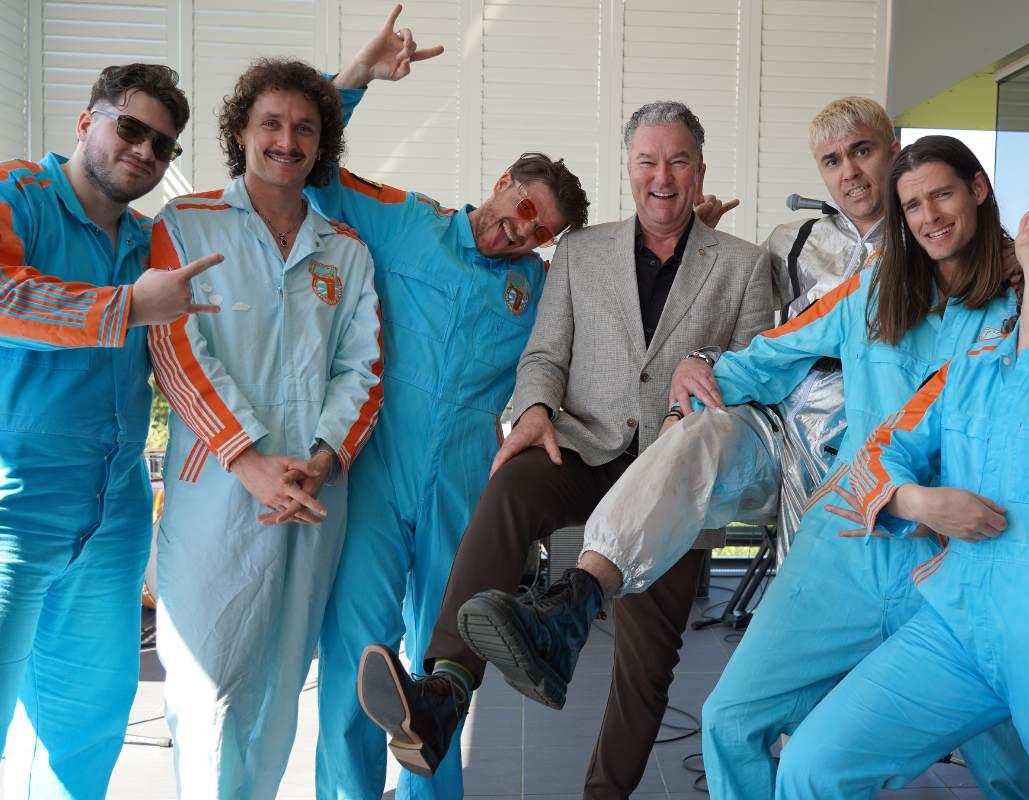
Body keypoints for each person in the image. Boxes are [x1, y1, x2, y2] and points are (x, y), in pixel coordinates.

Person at [357, 99, 774, 798]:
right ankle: (445, 690)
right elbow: (546, 354)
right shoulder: (581, 252)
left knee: (647, 663)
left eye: (677, 161)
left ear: (699, 170)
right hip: (583, 448)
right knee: (512, 486)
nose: (662, 177)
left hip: (674, 474)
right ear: (629, 168)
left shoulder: (745, 265)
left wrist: (705, 365)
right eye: (647, 161)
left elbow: (761, 371)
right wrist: (532, 410)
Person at [455, 96, 898, 675]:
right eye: (833, 160)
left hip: (860, 455)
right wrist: (539, 406)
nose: (849, 172)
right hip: (621, 447)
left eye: (862, 152)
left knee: (666, 660)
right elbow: (762, 355)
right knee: (516, 484)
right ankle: (455, 675)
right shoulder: (790, 243)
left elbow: (755, 356)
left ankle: (570, 613)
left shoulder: (771, 259)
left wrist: (701, 338)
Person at [781, 163, 1029, 799]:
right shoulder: (975, 360)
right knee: (814, 765)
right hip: (956, 626)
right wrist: (915, 500)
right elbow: (877, 454)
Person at [298, 8, 589, 800]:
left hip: (464, 484)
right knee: (358, 652)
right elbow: (312, 166)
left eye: (538, 230)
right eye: (520, 207)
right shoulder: (405, 222)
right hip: (378, 472)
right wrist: (356, 77)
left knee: (442, 667)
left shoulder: (540, 288)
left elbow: (601, 321)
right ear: (500, 183)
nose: (517, 231)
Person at [148, 58, 382, 799]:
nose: (288, 141)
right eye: (272, 123)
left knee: (282, 684)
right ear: (241, 131)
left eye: (305, 129)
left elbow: (364, 367)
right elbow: (176, 348)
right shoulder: (186, 225)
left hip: (314, 493)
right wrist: (247, 458)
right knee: (207, 683)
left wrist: (323, 459)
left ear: (322, 144)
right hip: (217, 489)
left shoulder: (345, 250)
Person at [0, 64, 223, 796]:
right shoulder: (18, 194)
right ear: (85, 122)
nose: (145, 151)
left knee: (86, 727)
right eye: (130, 127)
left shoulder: (152, 241)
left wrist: (343, 85)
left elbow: (266, 182)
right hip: (12, 508)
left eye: (163, 145)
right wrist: (126, 307)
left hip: (115, 516)